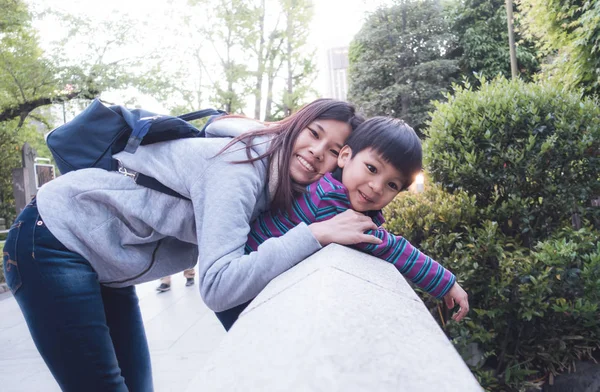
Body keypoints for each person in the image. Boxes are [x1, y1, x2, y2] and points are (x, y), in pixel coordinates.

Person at [2, 99, 379, 392]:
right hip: (52, 240)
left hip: (105, 264)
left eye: (334, 150)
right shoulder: (241, 164)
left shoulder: (282, 184)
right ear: (294, 125)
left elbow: (248, 264)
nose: (318, 151)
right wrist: (314, 234)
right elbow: (218, 287)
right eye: (313, 133)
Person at [216, 117, 469, 330]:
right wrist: (444, 281)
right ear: (345, 156)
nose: (376, 186)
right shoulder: (329, 199)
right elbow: (387, 245)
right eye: (371, 168)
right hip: (243, 294)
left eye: (392, 185)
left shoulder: (333, 189)